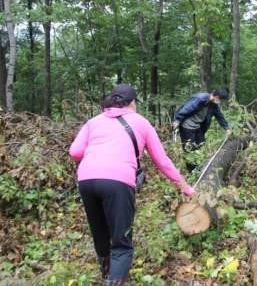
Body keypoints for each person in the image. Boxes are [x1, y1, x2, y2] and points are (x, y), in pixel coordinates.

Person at [69, 84, 194, 285]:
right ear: (132, 102)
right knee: (121, 243)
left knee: (100, 232)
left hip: (86, 180)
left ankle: (107, 273)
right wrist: (185, 187)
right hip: (117, 181)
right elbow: (162, 161)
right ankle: (114, 281)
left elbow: (75, 152)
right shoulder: (141, 122)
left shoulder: (93, 122)